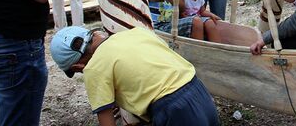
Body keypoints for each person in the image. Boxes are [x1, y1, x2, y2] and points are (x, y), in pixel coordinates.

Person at [50, 26, 219, 126]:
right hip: (199, 92)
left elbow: (107, 122)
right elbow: (149, 70)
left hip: (174, 110)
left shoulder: (93, 68)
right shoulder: (135, 32)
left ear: (78, 66)